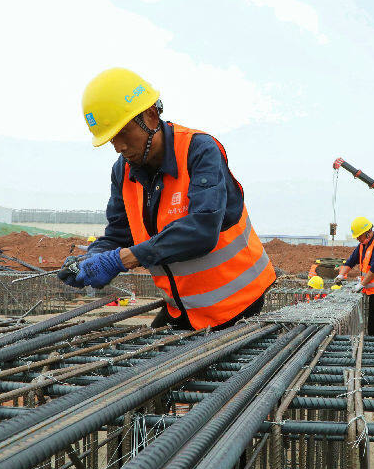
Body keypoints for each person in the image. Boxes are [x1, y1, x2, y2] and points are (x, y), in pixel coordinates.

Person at [60, 68, 276, 330]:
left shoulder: (200, 150)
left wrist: (121, 260)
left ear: (151, 116)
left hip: (238, 304)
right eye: (111, 139)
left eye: (124, 132)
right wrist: (93, 259)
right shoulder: (123, 171)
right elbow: (119, 234)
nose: (119, 146)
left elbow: (202, 231)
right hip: (183, 306)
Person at [334, 217, 374, 335]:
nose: (357, 238)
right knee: (372, 326)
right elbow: (351, 261)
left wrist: (361, 284)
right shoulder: (363, 245)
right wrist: (341, 275)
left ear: (368, 233)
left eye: (359, 236)